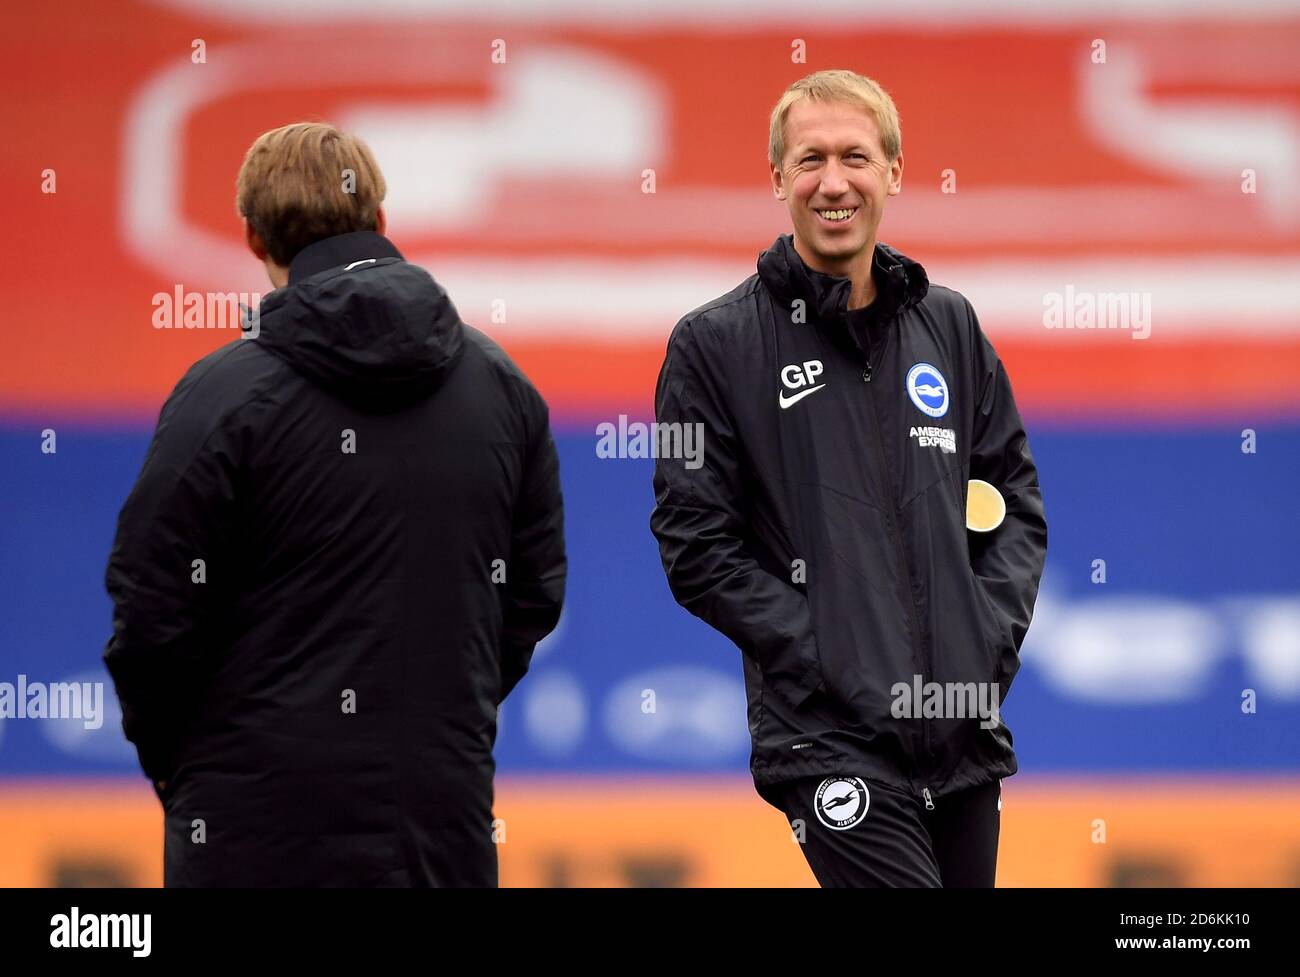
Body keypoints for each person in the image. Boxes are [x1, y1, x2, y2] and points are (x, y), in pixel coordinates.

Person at [103, 122, 566, 887]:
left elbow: (151, 613)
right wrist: (440, 722)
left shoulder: (220, 395)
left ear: (252, 237)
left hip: (251, 832)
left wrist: (195, 773)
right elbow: (530, 598)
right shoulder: (503, 387)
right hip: (439, 824)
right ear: (381, 222)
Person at [650, 70, 1047, 887]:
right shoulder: (714, 346)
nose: (834, 182)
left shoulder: (950, 325)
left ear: (894, 172)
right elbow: (695, 545)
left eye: (856, 157)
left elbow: (1012, 506)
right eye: (810, 160)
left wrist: (980, 645)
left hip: (959, 730)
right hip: (826, 737)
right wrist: (829, 652)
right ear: (777, 179)